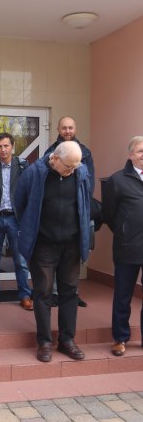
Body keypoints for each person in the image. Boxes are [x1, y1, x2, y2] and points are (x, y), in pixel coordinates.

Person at [14, 141, 90, 362]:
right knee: (43, 292)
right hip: (44, 245)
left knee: (70, 292)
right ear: (55, 158)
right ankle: (44, 342)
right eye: (69, 166)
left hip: (71, 244)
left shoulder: (80, 172)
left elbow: (84, 203)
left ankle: (67, 340)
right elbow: (20, 204)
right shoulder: (34, 173)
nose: (72, 170)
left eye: (76, 166)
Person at [45, 116, 95, 308]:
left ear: (75, 129)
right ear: (58, 129)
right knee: (56, 257)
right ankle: (56, 293)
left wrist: (83, 204)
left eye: (70, 128)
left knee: (75, 256)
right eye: (64, 127)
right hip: (57, 212)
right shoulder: (51, 152)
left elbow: (88, 182)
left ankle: (73, 293)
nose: (67, 131)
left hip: (77, 212)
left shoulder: (86, 153)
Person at [0, 133, 33, 311]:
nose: (3, 150)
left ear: (13, 147)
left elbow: (29, 193)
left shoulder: (23, 166)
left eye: (6, 146)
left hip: (15, 219)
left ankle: (25, 295)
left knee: (20, 260)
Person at [102, 136, 143, 357]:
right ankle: (120, 338)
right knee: (123, 296)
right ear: (130, 155)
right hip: (127, 248)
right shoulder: (117, 180)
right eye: (139, 151)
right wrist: (125, 231)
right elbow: (108, 214)